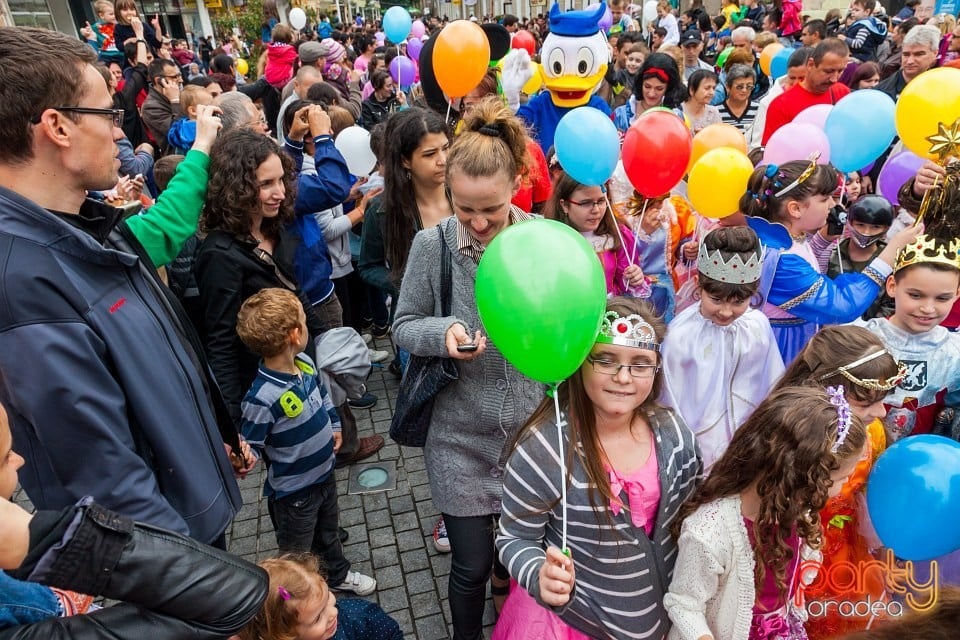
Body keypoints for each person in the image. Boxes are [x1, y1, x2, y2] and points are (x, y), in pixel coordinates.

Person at [0, 26, 246, 546]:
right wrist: (204, 591)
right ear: (58, 127)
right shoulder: (22, 282)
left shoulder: (89, 231)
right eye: (107, 114)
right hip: (170, 561)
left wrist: (206, 442)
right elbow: (107, 481)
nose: (118, 132)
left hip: (185, 525)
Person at [392, 97, 546, 640]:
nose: (479, 224)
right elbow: (403, 324)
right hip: (457, 437)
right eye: (465, 210)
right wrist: (442, 334)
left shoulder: (539, 244)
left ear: (515, 188)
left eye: (492, 210)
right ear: (449, 192)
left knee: (520, 558)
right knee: (470, 565)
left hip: (529, 435)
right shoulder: (430, 246)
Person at [495, 298, 701, 639]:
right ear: (579, 362)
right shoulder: (545, 448)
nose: (623, 377)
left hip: (666, 617)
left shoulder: (675, 435)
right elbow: (515, 536)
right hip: (575, 622)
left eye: (640, 364)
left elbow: (694, 510)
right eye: (606, 360)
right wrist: (538, 574)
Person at [664, 385, 868, 640]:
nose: (842, 489)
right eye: (840, 479)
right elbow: (684, 604)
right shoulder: (709, 531)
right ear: (799, 476)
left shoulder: (797, 510)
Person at [237, 289, 376, 596]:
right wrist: (245, 456)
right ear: (295, 333)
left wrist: (335, 424)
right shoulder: (261, 398)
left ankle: (337, 575)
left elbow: (324, 397)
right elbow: (252, 443)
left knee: (329, 534)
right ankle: (296, 599)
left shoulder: (304, 364)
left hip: (325, 475)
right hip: (293, 494)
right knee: (296, 552)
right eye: (304, 319)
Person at [773, 326, 905, 638]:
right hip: (796, 551)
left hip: (848, 550)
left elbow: (869, 500)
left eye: (884, 399)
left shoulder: (873, 433)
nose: (881, 411)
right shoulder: (790, 440)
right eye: (865, 403)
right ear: (822, 393)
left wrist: (885, 558)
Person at [741, 158, 918, 363]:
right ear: (795, 209)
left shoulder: (787, 238)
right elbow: (842, 306)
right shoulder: (782, 261)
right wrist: (890, 253)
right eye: (825, 198)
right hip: (779, 352)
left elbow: (807, 269)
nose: (833, 205)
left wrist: (823, 240)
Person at [661, 227, 783, 472]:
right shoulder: (680, 336)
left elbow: (772, 383)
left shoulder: (757, 325)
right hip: (698, 452)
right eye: (716, 299)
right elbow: (668, 399)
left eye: (739, 302)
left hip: (747, 447)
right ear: (699, 284)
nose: (726, 312)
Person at [861, 163, 960, 442]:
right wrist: (920, 189)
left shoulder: (954, 352)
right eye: (915, 295)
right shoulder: (866, 338)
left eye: (941, 298)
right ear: (892, 286)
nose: (927, 308)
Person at [358, 107, 453, 344]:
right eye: (430, 154)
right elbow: (369, 266)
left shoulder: (465, 195)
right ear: (405, 161)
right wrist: (406, 283)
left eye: (446, 148)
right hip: (418, 325)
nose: (442, 160)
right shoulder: (383, 210)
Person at [237, 554, 403, 640]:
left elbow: (390, 634)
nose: (332, 614)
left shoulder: (359, 616)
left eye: (328, 600)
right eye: (317, 618)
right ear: (284, 635)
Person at [544, 170, 644, 296]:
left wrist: (633, 278)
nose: (596, 210)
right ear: (564, 205)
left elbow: (624, 284)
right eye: (586, 203)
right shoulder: (551, 240)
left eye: (601, 201)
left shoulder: (615, 235)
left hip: (612, 310)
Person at [762, 39, 852, 145]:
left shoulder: (843, 93)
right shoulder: (781, 105)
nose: (834, 79)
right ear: (810, 64)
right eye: (828, 71)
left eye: (840, 71)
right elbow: (773, 151)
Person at [746, 46, 810, 151]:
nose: (796, 84)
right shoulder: (770, 101)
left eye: (802, 78)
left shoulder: (827, 95)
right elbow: (759, 146)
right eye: (792, 78)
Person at [613, 53, 686, 132]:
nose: (651, 93)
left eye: (659, 88)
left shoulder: (675, 117)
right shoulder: (621, 115)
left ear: (668, 88)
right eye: (647, 86)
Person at [826, 195, 894, 279]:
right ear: (850, 223)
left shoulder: (890, 261)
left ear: (886, 229)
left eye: (875, 227)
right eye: (860, 225)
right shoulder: (830, 254)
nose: (866, 232)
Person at [717, 63, 759, 132]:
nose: (744, 90)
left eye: (749, 87)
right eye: (739, 87)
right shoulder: (716, 112)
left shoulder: (759, 110)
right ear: (728, 87)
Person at [682, 69, 722, 134]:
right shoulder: (678, 113)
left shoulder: (713, 112)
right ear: (692, 90)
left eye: (713, 88)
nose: (712, 92)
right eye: (707, 88)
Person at [264, 23, 298, 90]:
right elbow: (296, 60)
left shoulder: (271, 49)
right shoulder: (288, 50)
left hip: (270, 79)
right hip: (283, 80)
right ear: (288, 36)